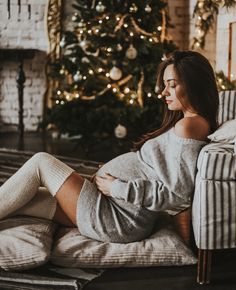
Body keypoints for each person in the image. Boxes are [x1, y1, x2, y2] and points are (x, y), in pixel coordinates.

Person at [0, 50, 219, 243]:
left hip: (118, 216)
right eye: (165, 85)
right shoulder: (194, 122)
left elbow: (178, 195)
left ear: (194, 83)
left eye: (172, 85)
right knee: (23, 196)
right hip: (113, 209)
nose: (163, 93)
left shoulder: (189, 125)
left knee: (41, 162)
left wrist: (117, 187)